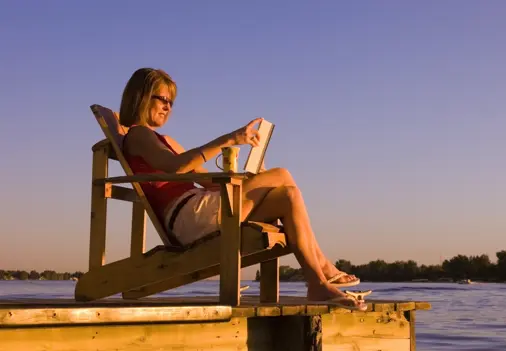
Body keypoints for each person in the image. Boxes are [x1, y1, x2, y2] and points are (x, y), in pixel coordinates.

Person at [119, 68, 364, 308]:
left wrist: (250, 177)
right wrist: (230, 139)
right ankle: (322, 265)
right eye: (161, 99)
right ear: (141, 97)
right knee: (282, 174)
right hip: (188, 218)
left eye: (171, 102)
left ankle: (317, 284)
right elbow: (176, 166)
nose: (168, 107)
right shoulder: (138, 135)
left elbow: (207, 181)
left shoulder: (166, 141)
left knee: (288, 195)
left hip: (203, 208)